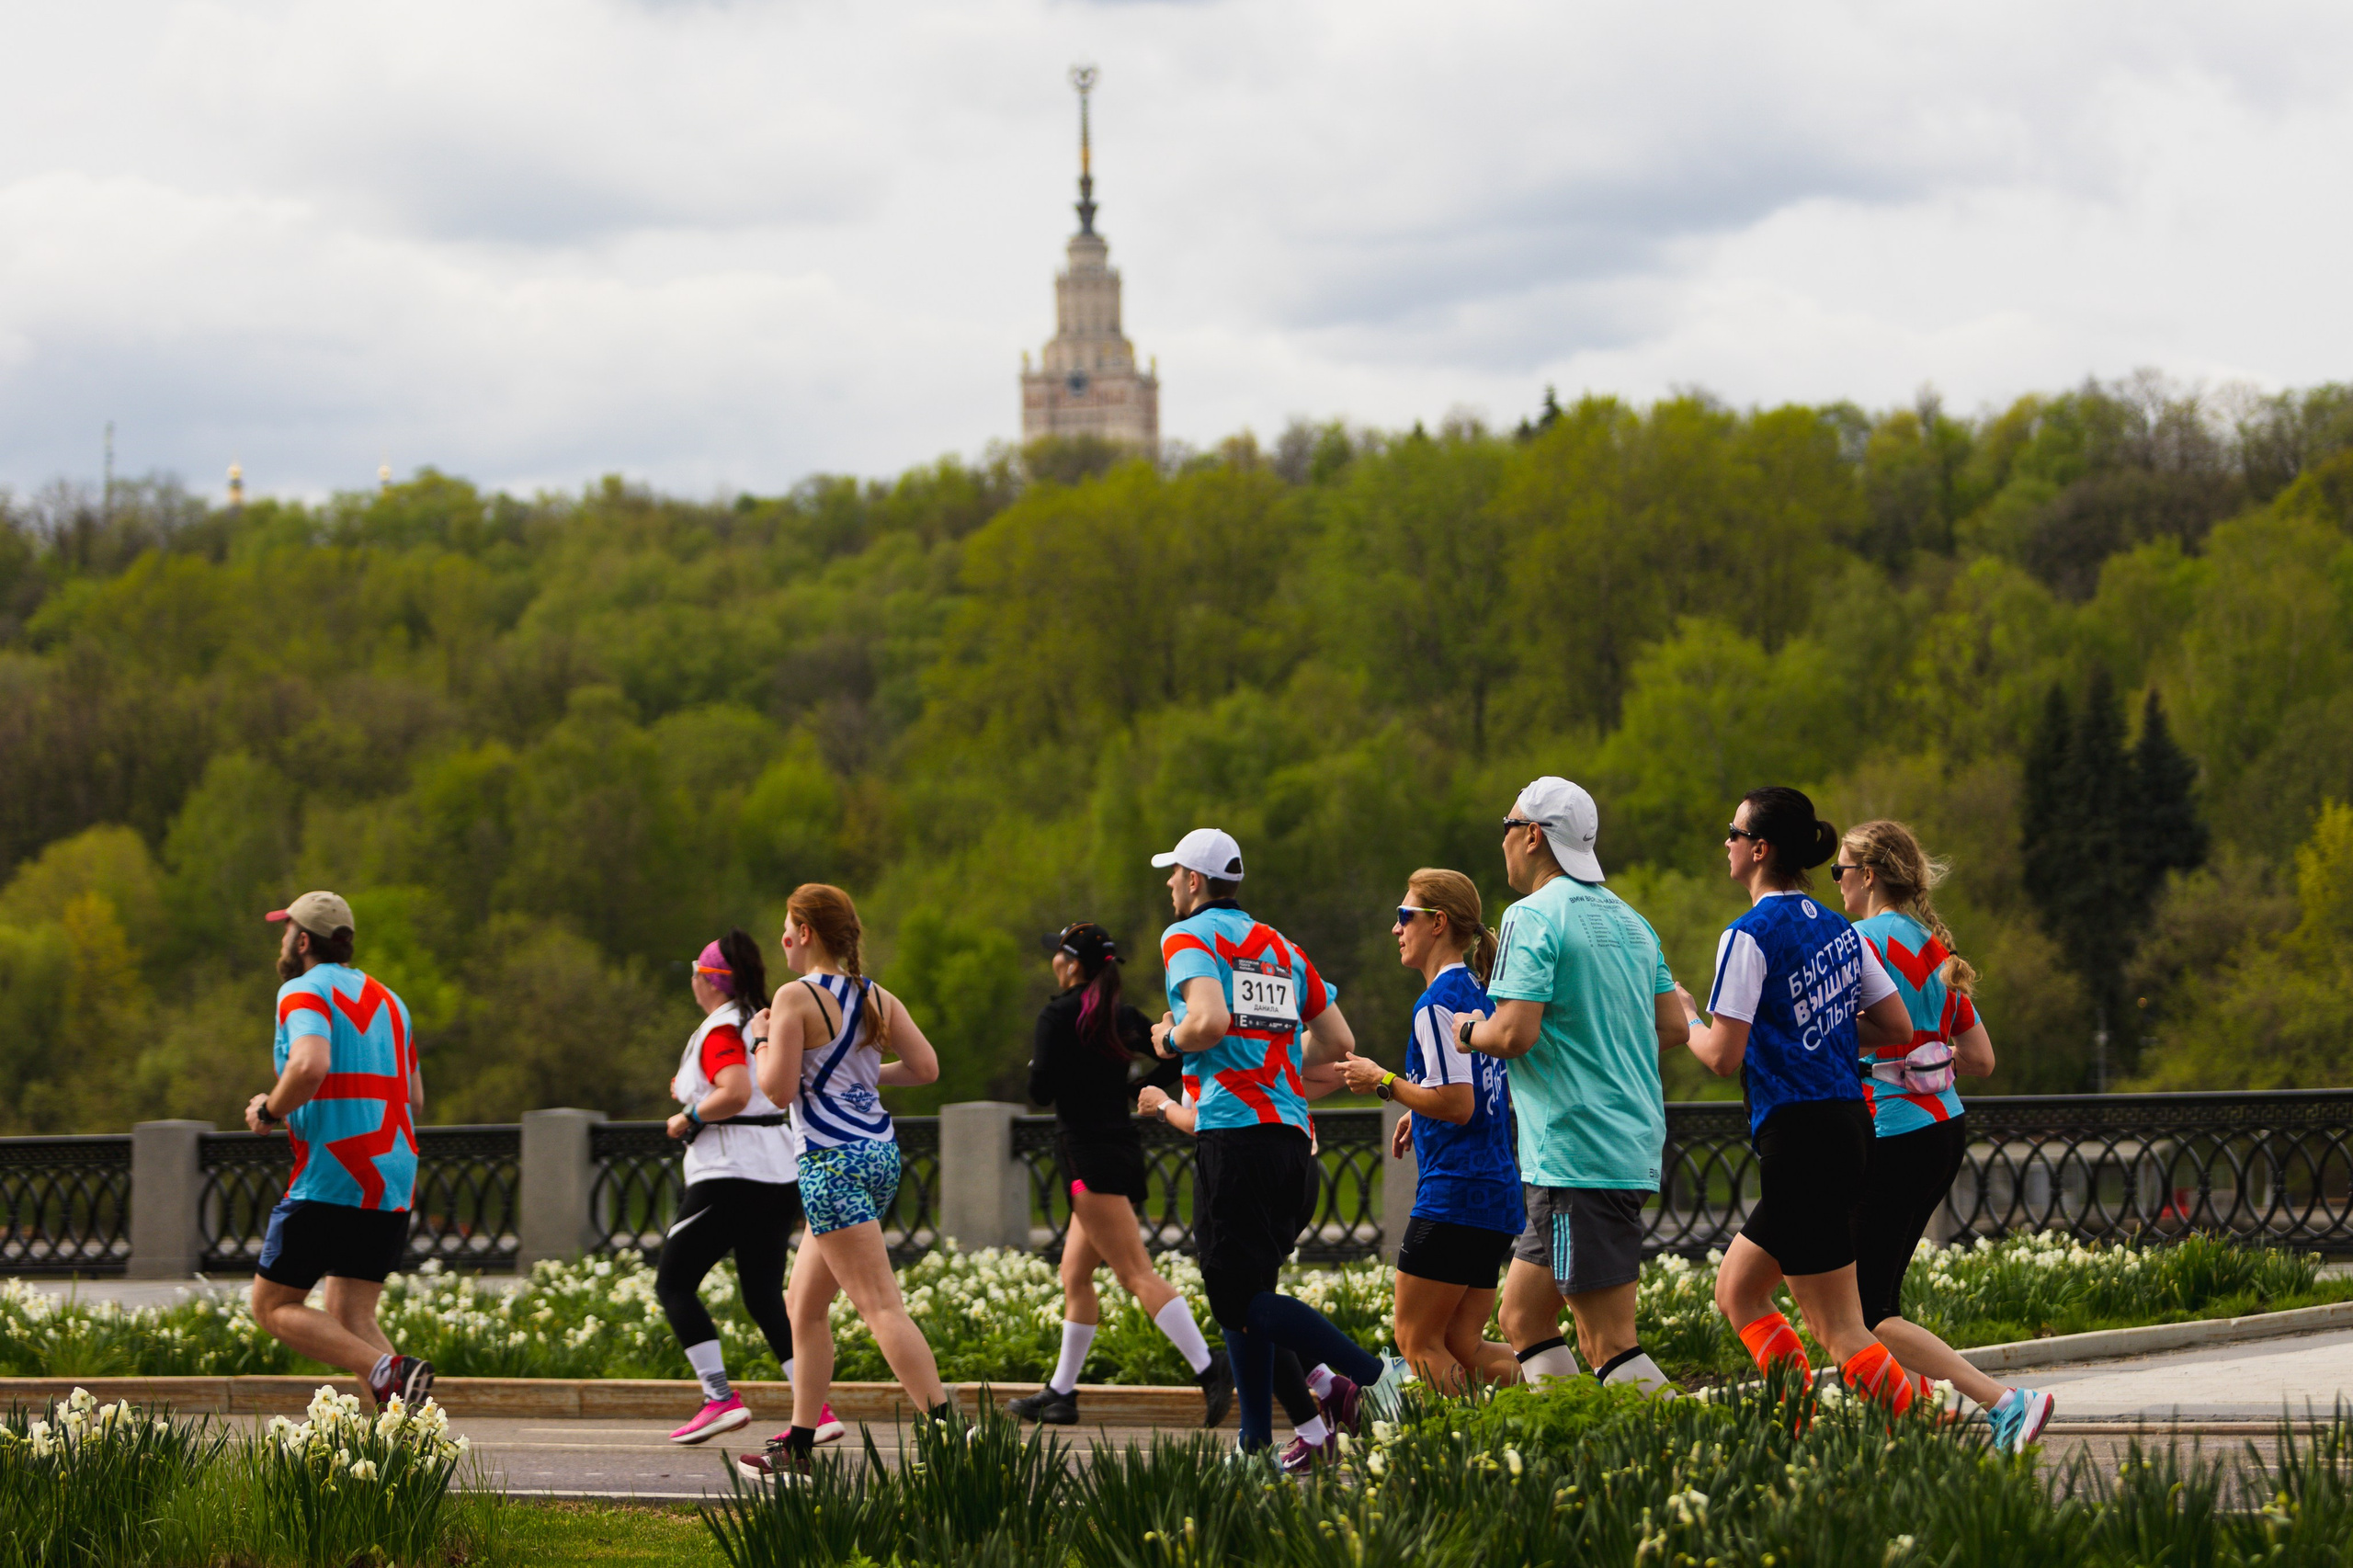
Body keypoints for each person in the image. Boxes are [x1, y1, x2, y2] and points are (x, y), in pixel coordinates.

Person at [1147, 826, 1406, 1455]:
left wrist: (1168, 1040)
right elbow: (1337, 1041)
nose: (1169, 884)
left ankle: (1374, 1377)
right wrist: (1277, 1059)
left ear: (1195, 881)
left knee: (1238, 1302)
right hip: (1293, 1146)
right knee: (1249, 1300)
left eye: (1174, 873)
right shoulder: (1280, 947)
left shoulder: (1186, 936)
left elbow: (1205, 1022)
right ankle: (1256, 1445)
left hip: (1235, 1143)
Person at [1676, 787, 1923, 1414]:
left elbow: (1722, 1056)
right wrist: (1815, 1029)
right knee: (1738, 1290)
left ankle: (1926, 1426)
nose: (1725, 844)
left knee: (1839, 1330)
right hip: (1848, 1126)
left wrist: (1682, 1017)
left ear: (1759, 850)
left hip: (1799, 1137)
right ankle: (1798, 1420)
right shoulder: (1839, 927)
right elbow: (1895, 1027)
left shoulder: (1748, 935)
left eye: (1732, 834)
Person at [1457, 779, 1686, 1396]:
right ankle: (1570, 1443)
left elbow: (1514, 1034)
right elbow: (1672, 1025)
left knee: (1607, 1340)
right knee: (1523, 1318)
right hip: (1623, 1142)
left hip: (1576, 1153)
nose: (1503, 841)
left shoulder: (1531, 915)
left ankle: (1692, 1448)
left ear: (1532, 835)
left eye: (1506, 827)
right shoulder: (1632, 921)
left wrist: (1470, 1030)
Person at [1836, 820, 2055, 1450]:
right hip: (1943, 1128)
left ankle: (2005, 1401)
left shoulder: (1860, 943)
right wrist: (1928, 1058)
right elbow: (1981, 1059)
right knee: (1878, 1297)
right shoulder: (1937, 951)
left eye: (1841, 871)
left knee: (1868, 1313)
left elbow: (1837, 1031)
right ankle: (1913, 1420)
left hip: (1891, 1130)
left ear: (1869, 875)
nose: (1838, 884)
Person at [741, 884, 950, 1481]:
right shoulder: (875, 995)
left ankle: (950, 1434)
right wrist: (857, 1082)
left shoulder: (792, 998)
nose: (781, 938)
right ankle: (800, 1444)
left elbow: (777, 1090)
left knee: (880, 1306)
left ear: (805, 932)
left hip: (831, 1164)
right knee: (803, 1307)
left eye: (787, 927)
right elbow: (927, 1068)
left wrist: (759, 1039)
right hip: (879, 1158)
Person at [1008, 922, 1233, 1427]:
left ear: (1071, 964)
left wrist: (1045, 1065)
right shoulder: (1120, 1016)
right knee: (1075, 1274)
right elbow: (1177, 1054)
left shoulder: (1057, 1015)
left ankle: (1210, 1368)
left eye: (1057, 955)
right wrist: (1138, 1090)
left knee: (1136, 1273)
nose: (1053, 962)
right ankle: (1062, 1393)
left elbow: (1041, 1092)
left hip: (1088, 1160)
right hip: (1117, 1152)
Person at [244, 891, 435, 1411]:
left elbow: (308, 1065)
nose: (283, 942)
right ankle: (410, 1446)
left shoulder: (302, 991)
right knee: (352, 1314)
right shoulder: (392, 1002)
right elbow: (414, 1096)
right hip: (392, 1173)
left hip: (333, 1172)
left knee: (273, 1306)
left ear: (303, 940)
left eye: (287, 932)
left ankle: (383, 1369)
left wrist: (269, 1110)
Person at [1336, 869, 1524, 1393]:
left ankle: (1462, 1457)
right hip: (1496, 1193)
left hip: (1454, 1195)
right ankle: (1556, 1398)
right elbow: (1477, 1091)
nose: (1396, 929)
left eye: (1404, 917)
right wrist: (1416, 1107)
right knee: (1463, 1344)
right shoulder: (1480, 995)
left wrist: (1385, 1082)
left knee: (1416, 1341)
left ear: (1437, 923)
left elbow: (1459, 1104)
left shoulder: (1433, 1004)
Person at [657, 928, 843, 1448]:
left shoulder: (719, 1027)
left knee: (672, 1284)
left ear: (708, 980)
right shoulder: (758, 1021)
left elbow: (734, 1092)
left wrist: (687, 1114)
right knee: (764, 1295)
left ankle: (719, 1398)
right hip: (778, 1172)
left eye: (695, 974)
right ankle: (818, 1410)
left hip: (729, 1174)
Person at [1139, 1070, 1346, 1473]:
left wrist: (1161, 1105)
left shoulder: (1210, 1027)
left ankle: (1351, 1383)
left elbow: (1204, 1119)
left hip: (1239, 1167)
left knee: (1241, 1305)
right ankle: (1322, 1401)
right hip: (1297, 1163)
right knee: (1251, 1302)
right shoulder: (1273, 1017)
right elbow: (1334, 1051)